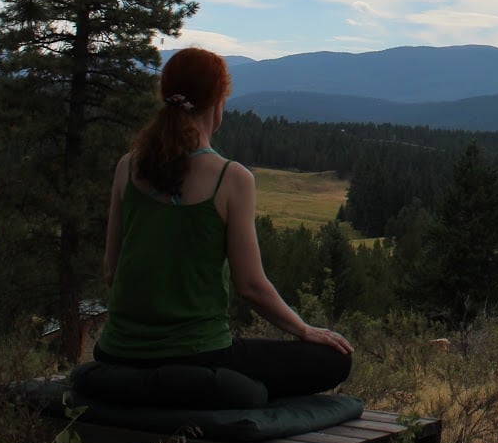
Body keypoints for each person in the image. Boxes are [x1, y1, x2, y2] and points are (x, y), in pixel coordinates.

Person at [95, 47, 353, 399]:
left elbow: (111, 270)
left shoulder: (127, 166)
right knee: (335, 361)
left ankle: (155, 387)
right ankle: (200, 388)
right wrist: (304, 329)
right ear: (217, 104)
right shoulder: (231, 178)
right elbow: (251, 286)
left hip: (116, 353)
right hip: (201, 354)